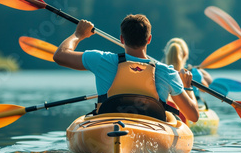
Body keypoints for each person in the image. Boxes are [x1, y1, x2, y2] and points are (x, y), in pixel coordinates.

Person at [53, 14, 199, 122]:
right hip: (151, 127)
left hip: (107, 125)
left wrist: (78, 34)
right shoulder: (167, 72)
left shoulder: (101, 60)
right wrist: (187, 87)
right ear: (149, 39)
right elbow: (193, 117)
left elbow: (60, 56)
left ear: (122, 39)